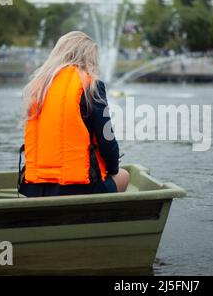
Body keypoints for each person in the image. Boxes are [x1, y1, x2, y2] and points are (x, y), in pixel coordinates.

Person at [18, 31, 129, 197]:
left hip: (35, 188)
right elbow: (107, 139)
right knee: (124, 176)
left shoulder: (39, 87)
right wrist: (113, 168)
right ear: (88, 58)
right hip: (78, 187)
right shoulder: (90, 85)